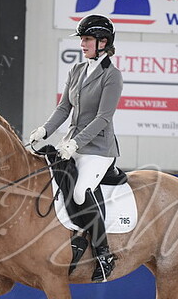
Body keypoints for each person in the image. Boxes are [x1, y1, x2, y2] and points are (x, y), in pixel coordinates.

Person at [29, 14, 123, 283]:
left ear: (103, 42)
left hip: (98, 149)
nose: (82, 44)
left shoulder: (112, 76)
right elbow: (63, 108)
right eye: (82, 39)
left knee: (81, 191)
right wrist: (45, 130)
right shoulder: (76, 71)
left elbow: (103, 118)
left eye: (87, 39)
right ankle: (76, 235)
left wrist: (75, 143)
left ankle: (104, 254)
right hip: (71, 144)